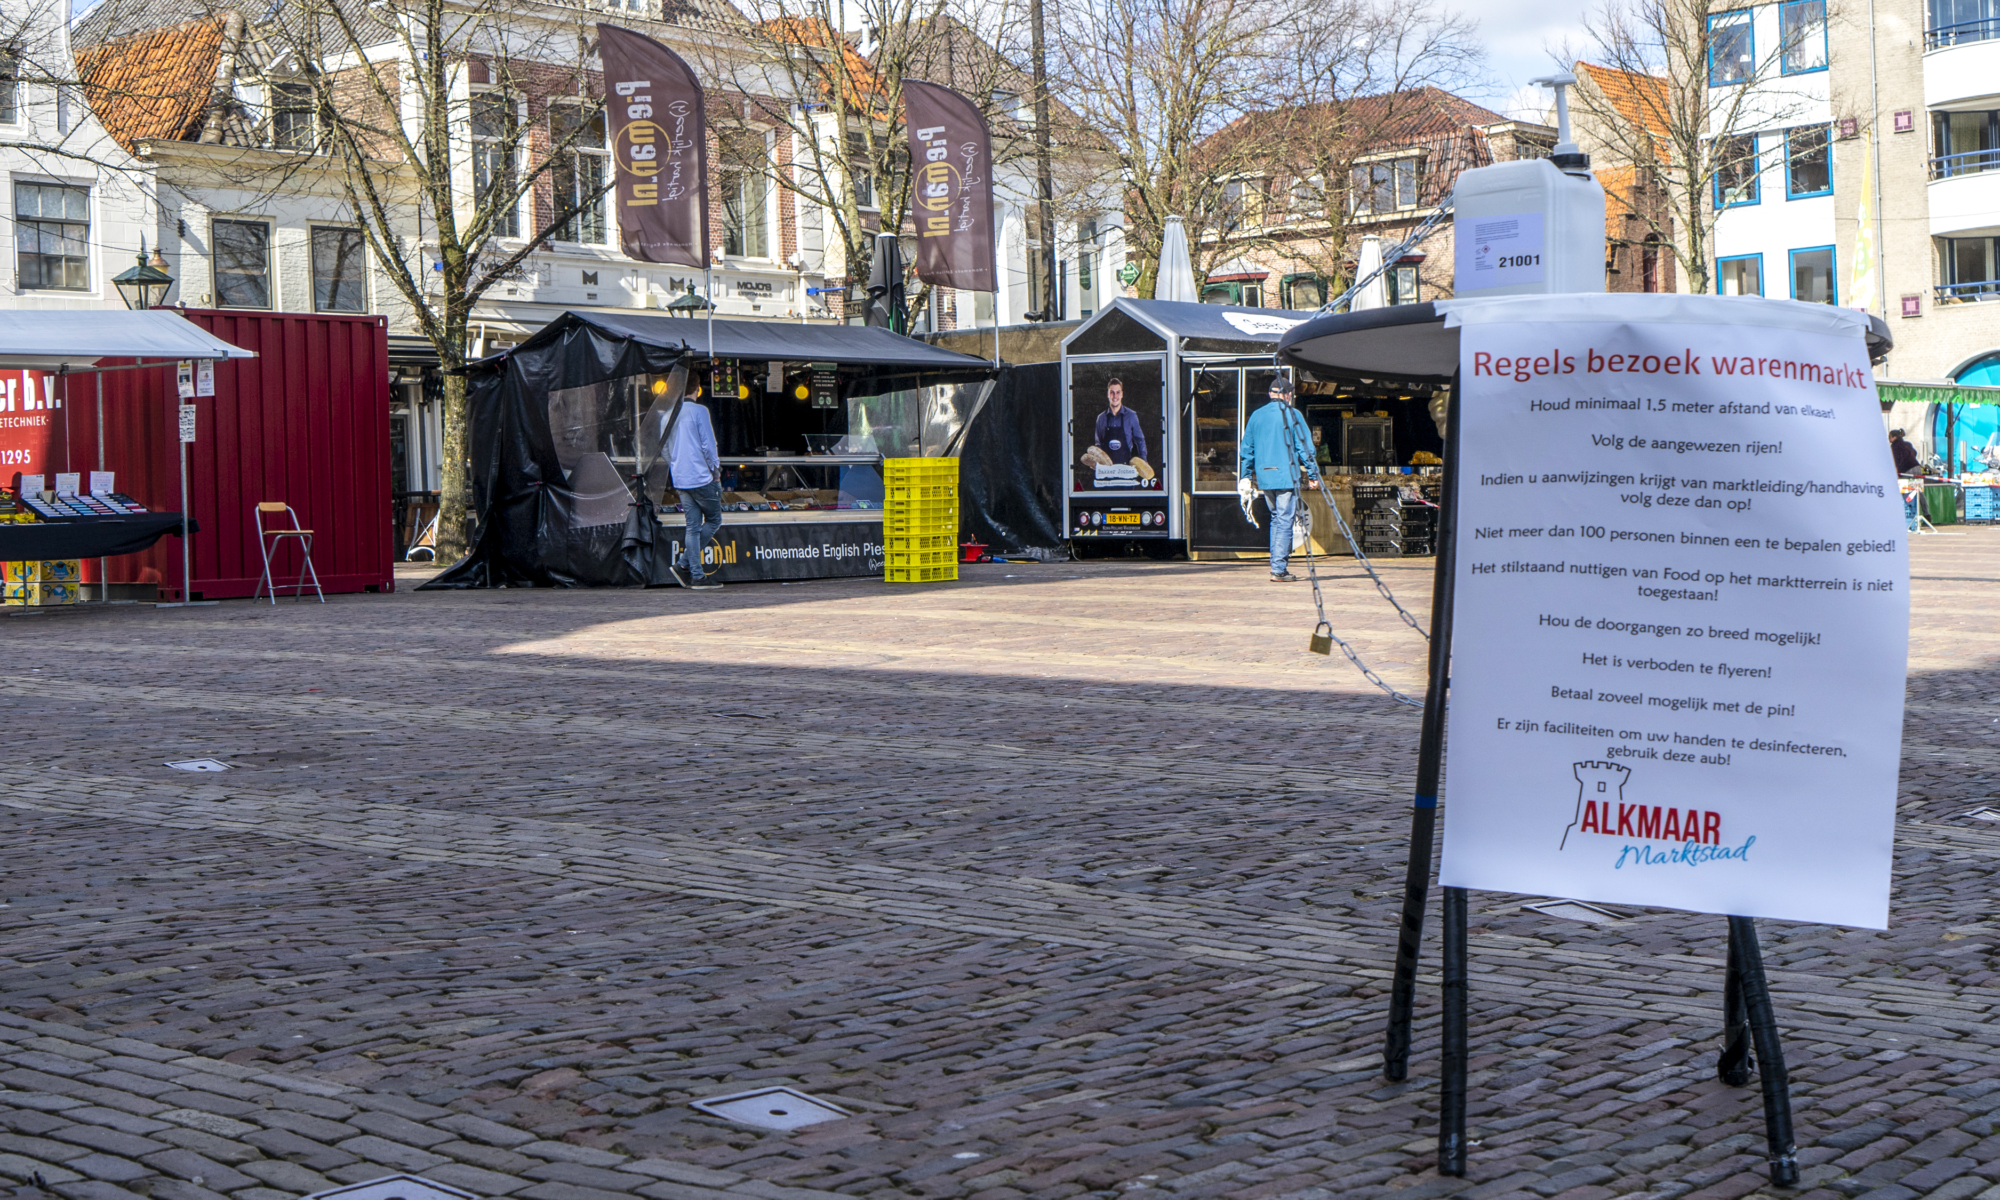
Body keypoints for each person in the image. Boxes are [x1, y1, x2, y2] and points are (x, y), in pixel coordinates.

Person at [1239, 375, 1321, 581]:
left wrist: (1245, 476)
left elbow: (1247, 450)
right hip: (1286, 475)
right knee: (1284, 520)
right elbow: (1305, 447)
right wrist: (1313, 475)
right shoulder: (1293, 414)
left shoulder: (1256, 416)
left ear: (1270, 394)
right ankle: (1278, 569)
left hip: (1266, 477)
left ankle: (1276, 564)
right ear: (1288, 395)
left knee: (1276, 519)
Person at [667, 382, 724, 590]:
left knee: (692, 526)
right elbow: (709, 444)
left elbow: (665, 447)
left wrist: (674, 466)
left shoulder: (669, 413)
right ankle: (685, 566)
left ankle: (695, 574)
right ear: (698, 388)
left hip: (680, 477)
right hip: (701, 476)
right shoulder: (700, 410)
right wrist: (715, 471)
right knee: (714, 519)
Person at [1093, 378, 1147, 465]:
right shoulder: (1101, 418)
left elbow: (1140, 440)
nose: (1115, 396)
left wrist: (1144, 461)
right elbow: (1098, 445)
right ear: (1108, 394)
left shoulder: (1131, 416)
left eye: (1118, 392)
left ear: (1122, 394)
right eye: (1112, 392)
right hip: (1106, 470)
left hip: (1126, 469)